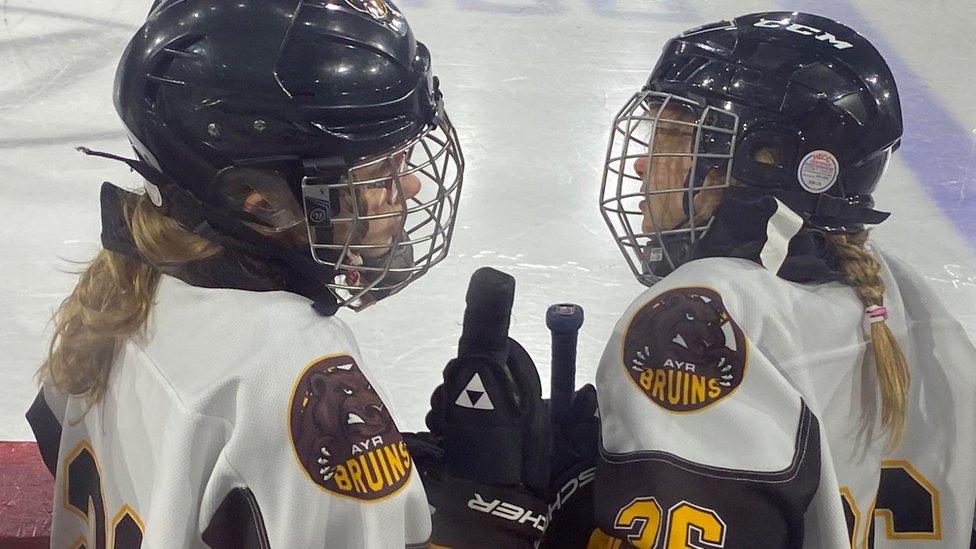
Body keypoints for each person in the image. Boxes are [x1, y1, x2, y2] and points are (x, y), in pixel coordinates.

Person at [25, 0, 468, 546]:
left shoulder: (124, 281)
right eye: (380, 170)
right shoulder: (297, 373)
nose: (411, 188)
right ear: (261, 201)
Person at [592, 12, 976, 547]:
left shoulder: (706, 316)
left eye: (676, 135)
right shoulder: (905, 298)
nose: (641, 164)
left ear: (765, 165)